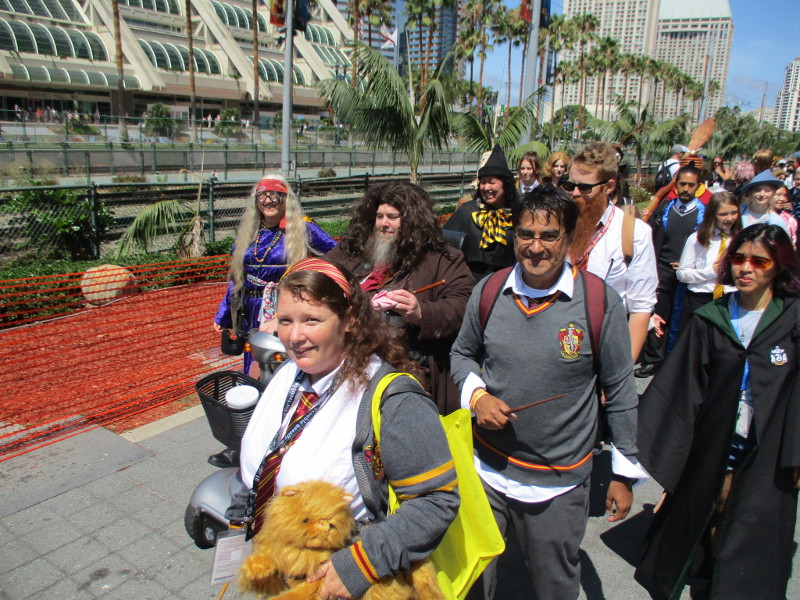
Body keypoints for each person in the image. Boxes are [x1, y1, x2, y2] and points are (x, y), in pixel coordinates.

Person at [450, 185, 645, 600]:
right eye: (526, 234)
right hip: (486, 472)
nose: (535, 247)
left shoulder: (599, 302)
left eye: (549, 236)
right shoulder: (489, 291)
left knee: (553, 584)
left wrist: (624, 473)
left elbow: (620, 389)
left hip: (558, 483)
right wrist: (477, 396)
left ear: (569, 238)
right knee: (474, 583)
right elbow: (462, 353)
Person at [229, 258, 459, 600]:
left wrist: (362, 564)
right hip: (285, 573)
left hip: (345, 584)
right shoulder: (289, 375)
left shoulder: (393, 400)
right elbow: (271, 455)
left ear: (349, 320)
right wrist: (243, 511)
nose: (295, 336)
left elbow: (437, 500)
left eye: (312, 320)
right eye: (286, 320)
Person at [635, 224, 800, 600]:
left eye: (759, 261)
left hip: (769, 448)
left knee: (753, 532)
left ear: (778, 266)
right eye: (739, 258)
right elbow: (681, 389)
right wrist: (668, 462)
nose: (746, 267)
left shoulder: (792, 318)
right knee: (709, 516)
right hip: (717, 440)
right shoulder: (713, 318)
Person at [210, 176, 336, 467]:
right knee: (252, 376)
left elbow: (335, 257)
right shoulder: (250, 231)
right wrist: (224, 315)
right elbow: (236, 279)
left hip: (286, 313)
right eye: (262, 196)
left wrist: (302, 300)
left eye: (275, 195)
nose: (268, 201)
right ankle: (245, 444)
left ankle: (286, 442)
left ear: (285, 199)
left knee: (283, 377)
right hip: (250, 313)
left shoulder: (303, 227)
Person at [327, 181, 475, 414]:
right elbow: (320, 273)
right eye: (379, 216)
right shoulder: (354, 249)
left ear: (413, 221)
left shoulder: (443, 258)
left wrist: (421, 312)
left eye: (392, 217)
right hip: (348, 363)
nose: (383, 224)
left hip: (407, 371)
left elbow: (464, 304)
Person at [565, 141, 657, 361]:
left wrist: (624, 370)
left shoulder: (634, 233)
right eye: (570, 185)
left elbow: (640, 308)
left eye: (585, 187)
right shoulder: (559, 224)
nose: (575, 193)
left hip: (604, 346)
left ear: (609, 186)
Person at [635, 165, 706, 378]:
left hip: (689, 275)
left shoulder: (704, 213)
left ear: (698, 186)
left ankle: (676, 361)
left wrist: (687, 263)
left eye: (690, 185)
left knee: (681, 318)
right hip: (661, 270)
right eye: (682, 184)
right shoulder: (665, 209)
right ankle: (653, 359)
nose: (685, 189)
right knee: (658, 314)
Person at [445, 145, 519, 281]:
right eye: (483, 182)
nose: (486, 187)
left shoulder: (518, 213)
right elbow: (445, 245)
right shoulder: (467, 211)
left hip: (506, 279)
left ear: (505, 185)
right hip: (468, 280)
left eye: (492, 182)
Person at [675, 192, 742, 333]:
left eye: (734, 213)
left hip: (731, 298)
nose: (729, 218)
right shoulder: (697, 239)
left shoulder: (741, 238)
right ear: (713, 215)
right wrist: (711, 272)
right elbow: (682, 274)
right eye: (723, 214)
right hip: (701, 299)